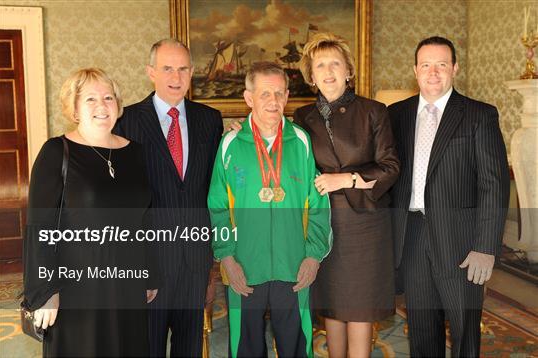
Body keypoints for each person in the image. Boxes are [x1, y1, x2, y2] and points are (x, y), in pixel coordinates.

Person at [388, 36, 510, 357]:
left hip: (462, 243)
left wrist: (485, 247)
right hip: (412, 237)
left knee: (465, 331)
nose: (433, 72)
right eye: (426, 65)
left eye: (441, 64)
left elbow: (493, 186)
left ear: (454, 68)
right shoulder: (395, 115)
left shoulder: (479, 115)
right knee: (422, 331)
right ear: (415, 70)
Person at [22, 68, 157, 357]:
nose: (101, 106)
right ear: (74, 109)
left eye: (109, 98)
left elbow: (144, 221)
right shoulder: (56, 152)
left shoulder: (135, 153)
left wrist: (149, 274)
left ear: (118, 106)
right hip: (77, 286)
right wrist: (45, 292)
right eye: (90, 99)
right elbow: (39, 227)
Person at [208, 61, 332, 358]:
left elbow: (317, 203)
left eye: (279, 93)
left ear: (288, 96)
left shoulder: (301, 141)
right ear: (249, 98)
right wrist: (226, 257)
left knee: (296, 346)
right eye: (265, 94)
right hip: (243, 266)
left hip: (294, 266)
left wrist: (313, 256)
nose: (273, 102)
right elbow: (217, 206)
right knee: (245, 345)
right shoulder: (229, 144)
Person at [114, 38, 223, 357]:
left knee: (189, 347)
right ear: (151, 72)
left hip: (195, 261)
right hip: (150, 263)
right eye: (167, 68)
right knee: (147, 346)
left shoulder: (209, 120)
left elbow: (213, 192)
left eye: (183, 68)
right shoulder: (126, 121)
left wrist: (212, 265)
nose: (176, 77)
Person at [295, 32, 399, 357]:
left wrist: (347, 179)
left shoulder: (374, 111)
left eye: (335, 64)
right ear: (311, 76)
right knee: (331, 307)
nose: (328, 72)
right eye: (320, 65)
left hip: (365, 227)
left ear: (348, 71)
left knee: (359, 309)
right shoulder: (302, 117)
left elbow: (391, 167)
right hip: (323, 226)